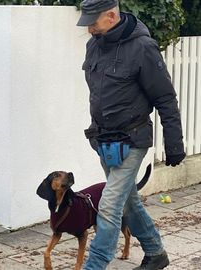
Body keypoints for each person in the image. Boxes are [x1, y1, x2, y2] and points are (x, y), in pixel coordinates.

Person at [76, 0, 186, 269]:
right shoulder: (94, 45)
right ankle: (156, 253)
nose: (88, 27)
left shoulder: (143, 48)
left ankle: (95, 265)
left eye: (93, 21)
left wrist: (174, 143)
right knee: (127, 201)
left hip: (132, 139)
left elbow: (165, 98)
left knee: (110, 205)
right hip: (103, 140)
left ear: (112, 16)